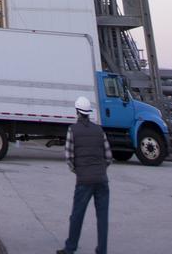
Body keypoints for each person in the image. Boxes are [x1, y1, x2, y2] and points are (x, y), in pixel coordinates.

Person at [57, 95, 111, 254]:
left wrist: (79, 171)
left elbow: (69, 157)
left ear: (77, 112)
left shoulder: (72, 130)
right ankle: (102, 250)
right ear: (89, 112)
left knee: (77, 215)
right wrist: (100, 169)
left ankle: (70, 248)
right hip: (102, 179)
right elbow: (108, 156)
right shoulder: (99, 130)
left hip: (84, 180)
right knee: (102, 218)